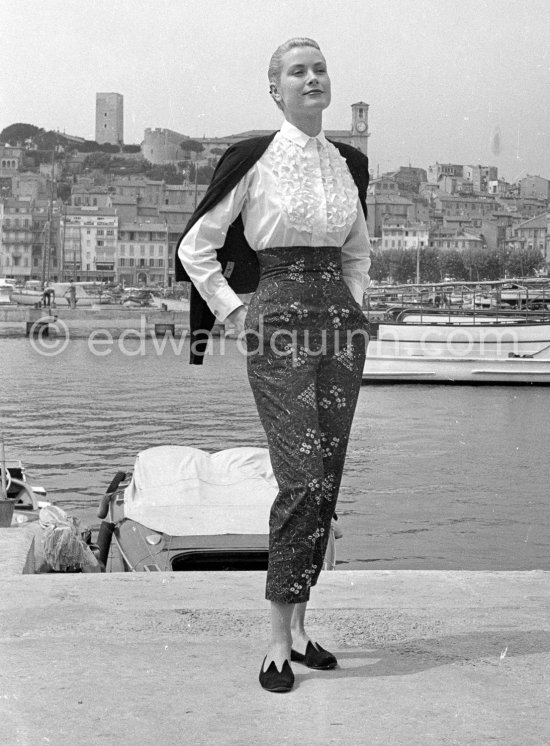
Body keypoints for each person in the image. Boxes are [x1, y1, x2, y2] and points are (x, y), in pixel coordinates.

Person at [177, 37, 371, 693]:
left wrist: (355, 309)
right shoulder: (256, 161)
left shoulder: (347, 165)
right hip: (278, 325)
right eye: (298, 70)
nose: (312, 77)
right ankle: (274, 644)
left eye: (320, 68)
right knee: (300, 477)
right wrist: (235, 314)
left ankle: (303, 628)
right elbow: (195, 247)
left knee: (326, 482)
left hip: (339, 332)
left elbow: (358, 252)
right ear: (276, 90)